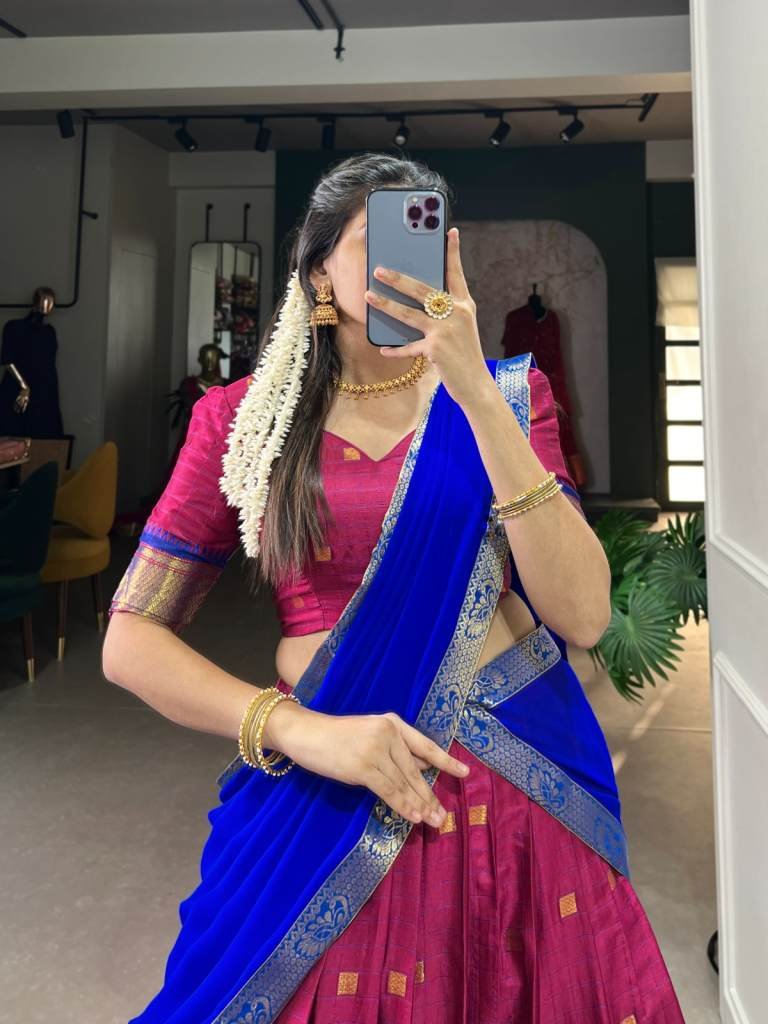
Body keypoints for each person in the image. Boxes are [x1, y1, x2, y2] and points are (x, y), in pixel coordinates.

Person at [103, 153, 685, 1023]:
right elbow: (129, 642)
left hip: (518, 780)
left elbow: (584, 615)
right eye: (372, 244)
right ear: (318, 274)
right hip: (330, 776)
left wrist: (475, 393)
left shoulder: (510, 398)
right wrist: (297, 731)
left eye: (423, 243)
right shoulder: (242, 421)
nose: (399, 271)